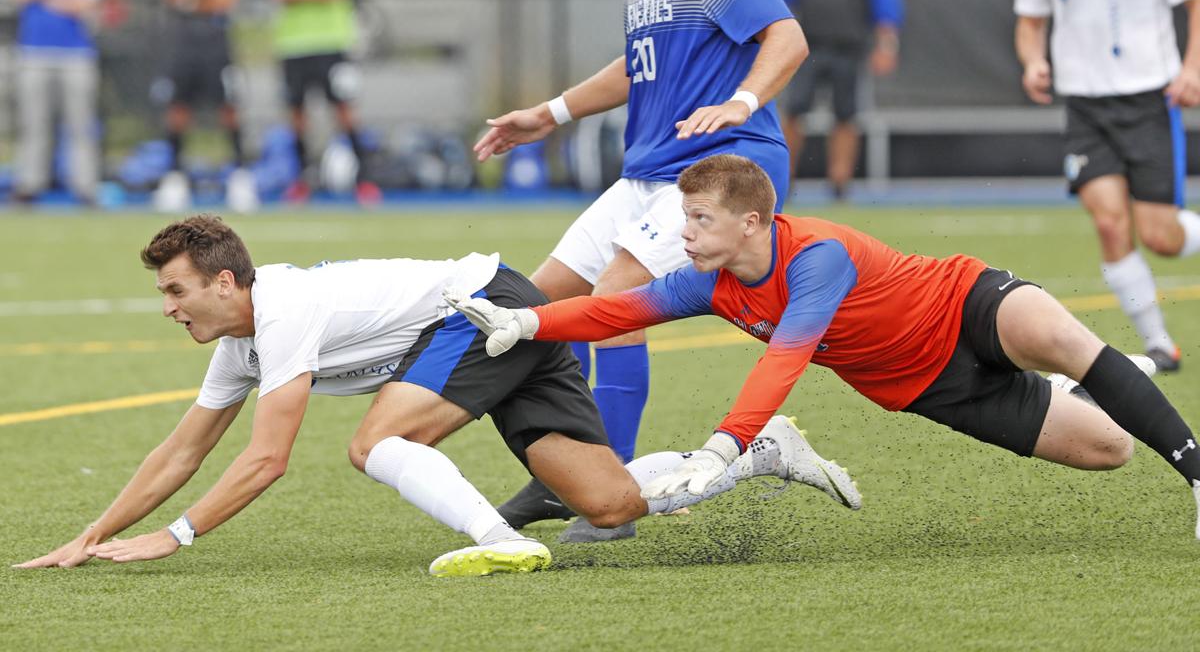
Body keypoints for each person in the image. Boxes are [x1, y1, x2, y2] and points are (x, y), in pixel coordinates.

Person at [13, 214, 858, 577]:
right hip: (501, 322)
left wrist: (179, 536)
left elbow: (268, 460)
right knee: (608, 503)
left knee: (373, 443)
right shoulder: (235, 341)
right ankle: (763, 452)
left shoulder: (283, 312)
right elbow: (183, 449)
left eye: (175, 292)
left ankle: (501, 541)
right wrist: (89, 538)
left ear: (225, 280)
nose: (168, 310)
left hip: (487, 310)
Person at [447, 154, 1200, 540]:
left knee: (1058, 336)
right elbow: (617, 310)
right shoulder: (710, 281)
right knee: (1110, 449)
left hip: (964, 305)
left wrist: (722, 446)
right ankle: (1086, 394)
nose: (685, 235)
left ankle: (1196, 473)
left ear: (751, 224)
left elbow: (786, 358)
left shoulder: (817, 259)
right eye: (686, 219)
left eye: (700, 220)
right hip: (934, 388)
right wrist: (532, 323)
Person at [474, 0, 808, 537]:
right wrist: (551, 113)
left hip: (718, 167)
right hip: (648, 174)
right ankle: (559, 473)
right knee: (533, 308)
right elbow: (641, 65)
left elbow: (788, 37)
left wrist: (743, 102)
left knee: (613, 298)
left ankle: (606, 492)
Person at [1014, 0, 1200, 373]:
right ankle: (1160, 345)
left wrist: (1192, 67)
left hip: (1148, 101)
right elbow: (1030, 22)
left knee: (1161, 236)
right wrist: (1033, 61)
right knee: (1111, 223)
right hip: (1084, 108)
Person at [774, 0, 904, 201]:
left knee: (846, 116)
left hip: (850, 48)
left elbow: (886, 3)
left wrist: (886, 45)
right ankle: (782, 180)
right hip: (806, 48)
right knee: (794, 112)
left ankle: (840, 183)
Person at [262, 0, 379, 206]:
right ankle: (301, 181)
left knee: (344, 112)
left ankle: (365, 180)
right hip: (293, 44)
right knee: (297, 115)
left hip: (333, 41)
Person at [153, 0, 256, 213]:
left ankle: (238, 176)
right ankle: (175, 177)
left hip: (216, 39)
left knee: (228, 106)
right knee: (178, 106)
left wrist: (193, 0)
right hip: (185, 40)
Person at [6, 0, 104, 206]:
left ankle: (85, 186)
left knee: (81, 124)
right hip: (34, 52)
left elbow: (87, 3)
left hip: (76, 54)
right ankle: (30, 183)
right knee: (34, 122)